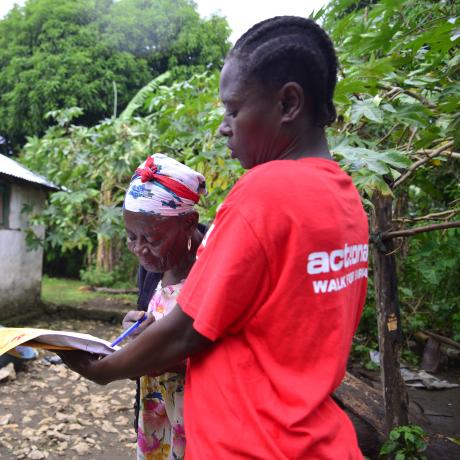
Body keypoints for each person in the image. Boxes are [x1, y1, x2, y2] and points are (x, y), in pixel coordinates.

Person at [59, 16, 369, 459]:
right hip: (312, 439)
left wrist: (105, 369)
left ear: (288, 103)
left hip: (249, 442)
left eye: (233, 109)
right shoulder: (344, 199)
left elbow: (187, 332)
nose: (225, 126)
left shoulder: (265, 193)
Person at [120, 153, 207, 459]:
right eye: (132, 237)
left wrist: (159, 351)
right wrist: (135, 333)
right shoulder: (152, 264)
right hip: (156, 415)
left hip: (203, 422)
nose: (140, 250)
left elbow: (232, 356)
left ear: (188, 223)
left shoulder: (218, 266)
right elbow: (150, 323)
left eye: (152, 239)